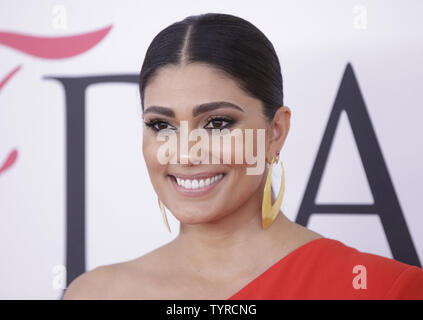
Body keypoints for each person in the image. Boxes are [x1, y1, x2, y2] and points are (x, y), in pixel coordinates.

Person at [63, 12, 423, 300]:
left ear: (276, 131)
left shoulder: (384, 290)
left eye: (217, 123)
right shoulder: (96, 294)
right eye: (161, 125)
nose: (186, 153)